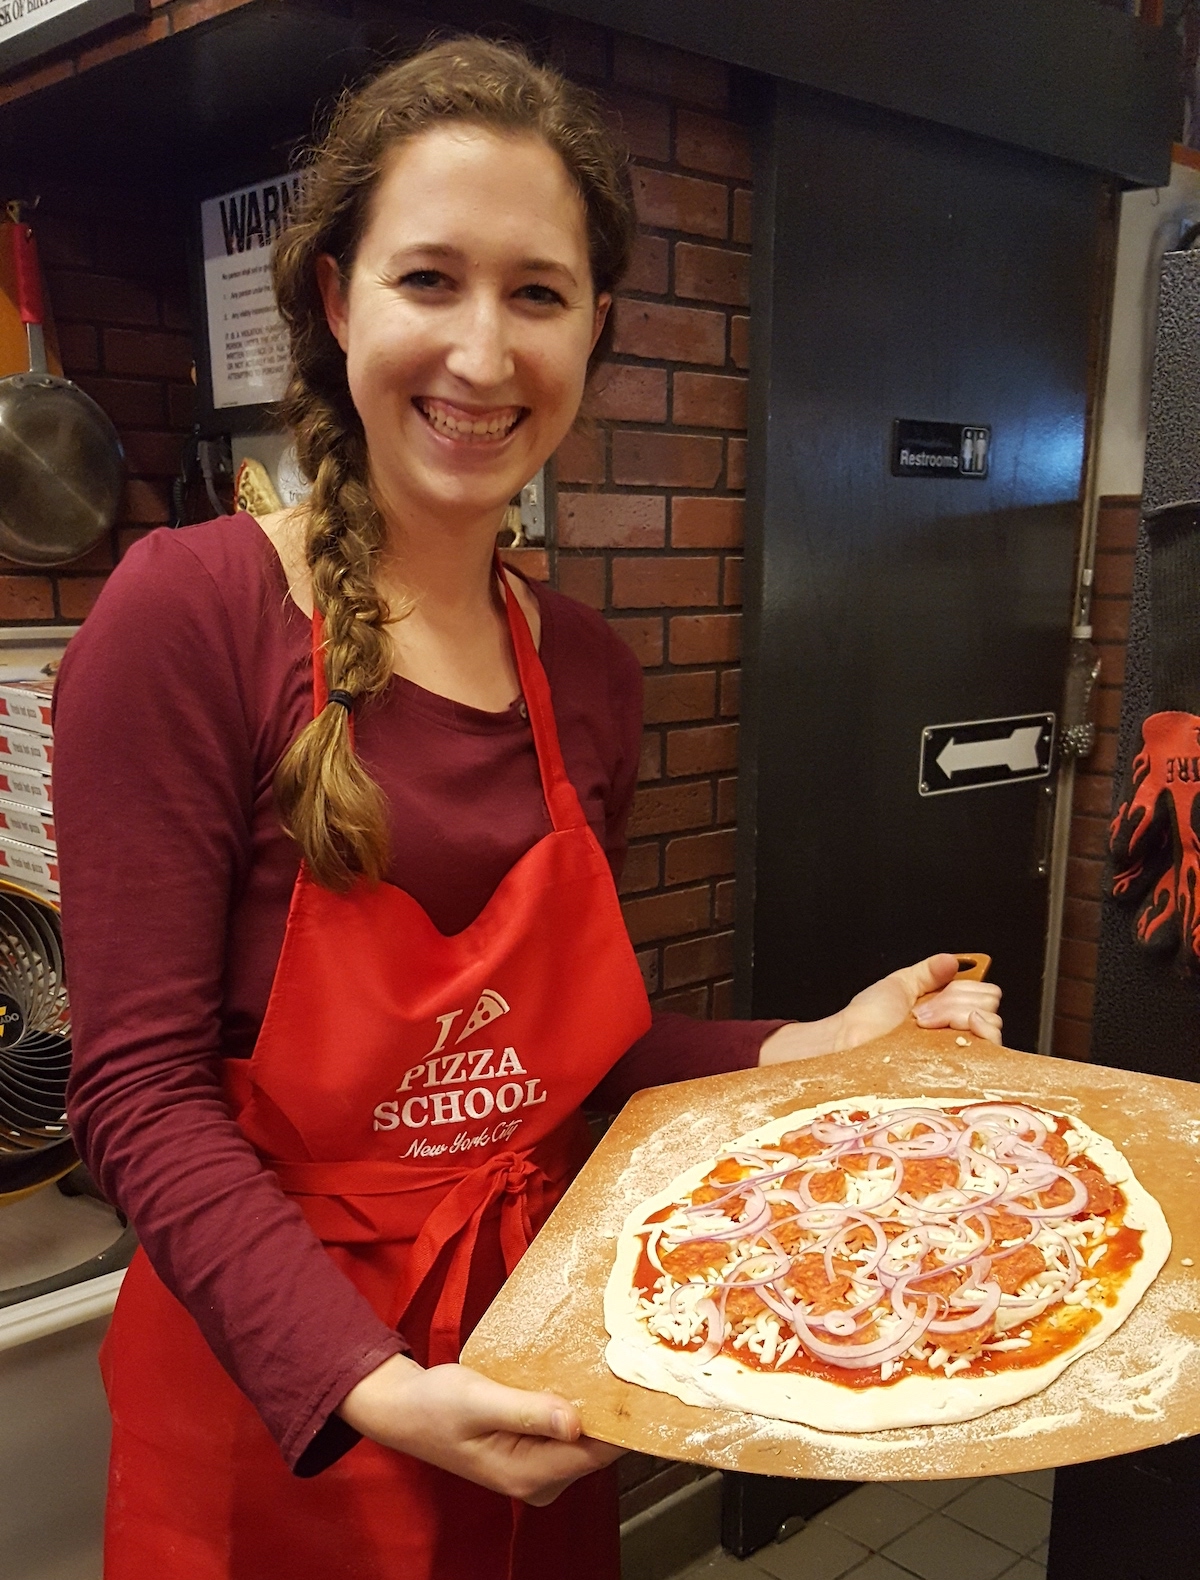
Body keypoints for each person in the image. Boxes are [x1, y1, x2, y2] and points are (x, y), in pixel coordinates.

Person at [53, 37, 1002, 1580]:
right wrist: (368, 1385)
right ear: (334, 297)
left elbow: (554, 1067)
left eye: (539, 293)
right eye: (431, 279)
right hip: (284, 1385)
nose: (485, 355)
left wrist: (813, 1046)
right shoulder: (195, 613)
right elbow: (136, 1094)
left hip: (539, 1351)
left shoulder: (587, 671)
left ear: (598, 325)